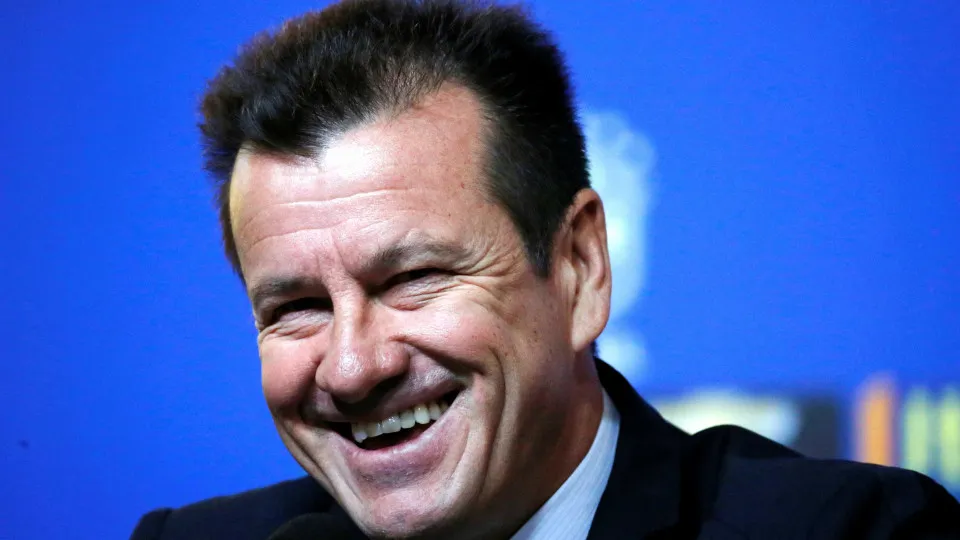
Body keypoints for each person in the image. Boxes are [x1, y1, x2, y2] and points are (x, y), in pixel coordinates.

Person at [130, 1, 960, 538]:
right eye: (298, 307)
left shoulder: (851, 531)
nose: (351, 367)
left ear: (578, 268)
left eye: (413, 278)